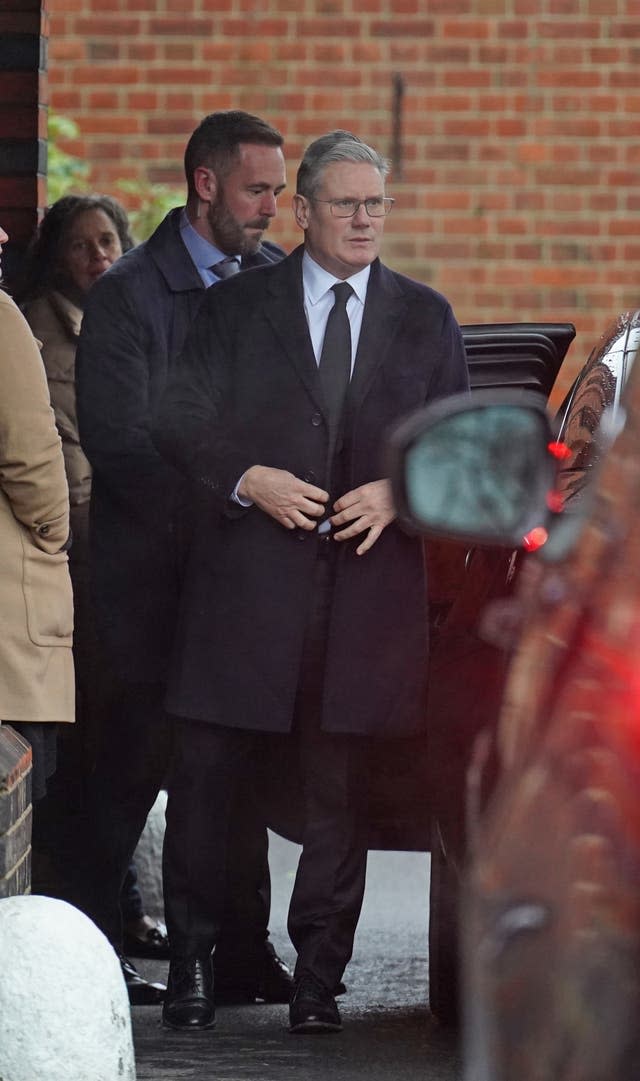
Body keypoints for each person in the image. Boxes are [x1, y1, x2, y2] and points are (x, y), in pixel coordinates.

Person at [152, 130, 469, 1032]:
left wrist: (400, 492)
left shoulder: (426, 316)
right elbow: (176, 418)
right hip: (244, 590)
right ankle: (192, 969)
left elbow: (452, 447)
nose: (366, 219)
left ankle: (317, 988)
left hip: (363, 598)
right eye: (346, 203)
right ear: (304, 210)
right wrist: (247, 477)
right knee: (209, 781)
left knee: (340, 795)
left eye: (378, 203)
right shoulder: (237, 308)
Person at [74, 111, 293, 1009]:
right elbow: (119, 445)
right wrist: (234, 499)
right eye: (257, 190)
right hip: (147, 592)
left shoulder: (278, 282)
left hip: (241, 589)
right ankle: (83, 965)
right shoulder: (130, 295)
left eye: (281, 190)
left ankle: (241, 953)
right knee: (119, 781)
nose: (273, 209)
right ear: (204, 185)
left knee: (237, 778)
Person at [13, 195, 168, 1004]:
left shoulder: (124, 320)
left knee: (108, 757)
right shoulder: (34, 329)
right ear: (57, 257)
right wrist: (67, 538)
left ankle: (123, 915)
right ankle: (89, 930)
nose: (101, 256)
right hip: (72, 562)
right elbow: (51, 460)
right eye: (83, 246)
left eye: (110, 240)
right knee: (85, 764)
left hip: (102, 561)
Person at [0, 222, 74, 814]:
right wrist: (55, 533)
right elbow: (32, 458)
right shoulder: (1, 319)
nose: (2, 235)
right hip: (9, 646)